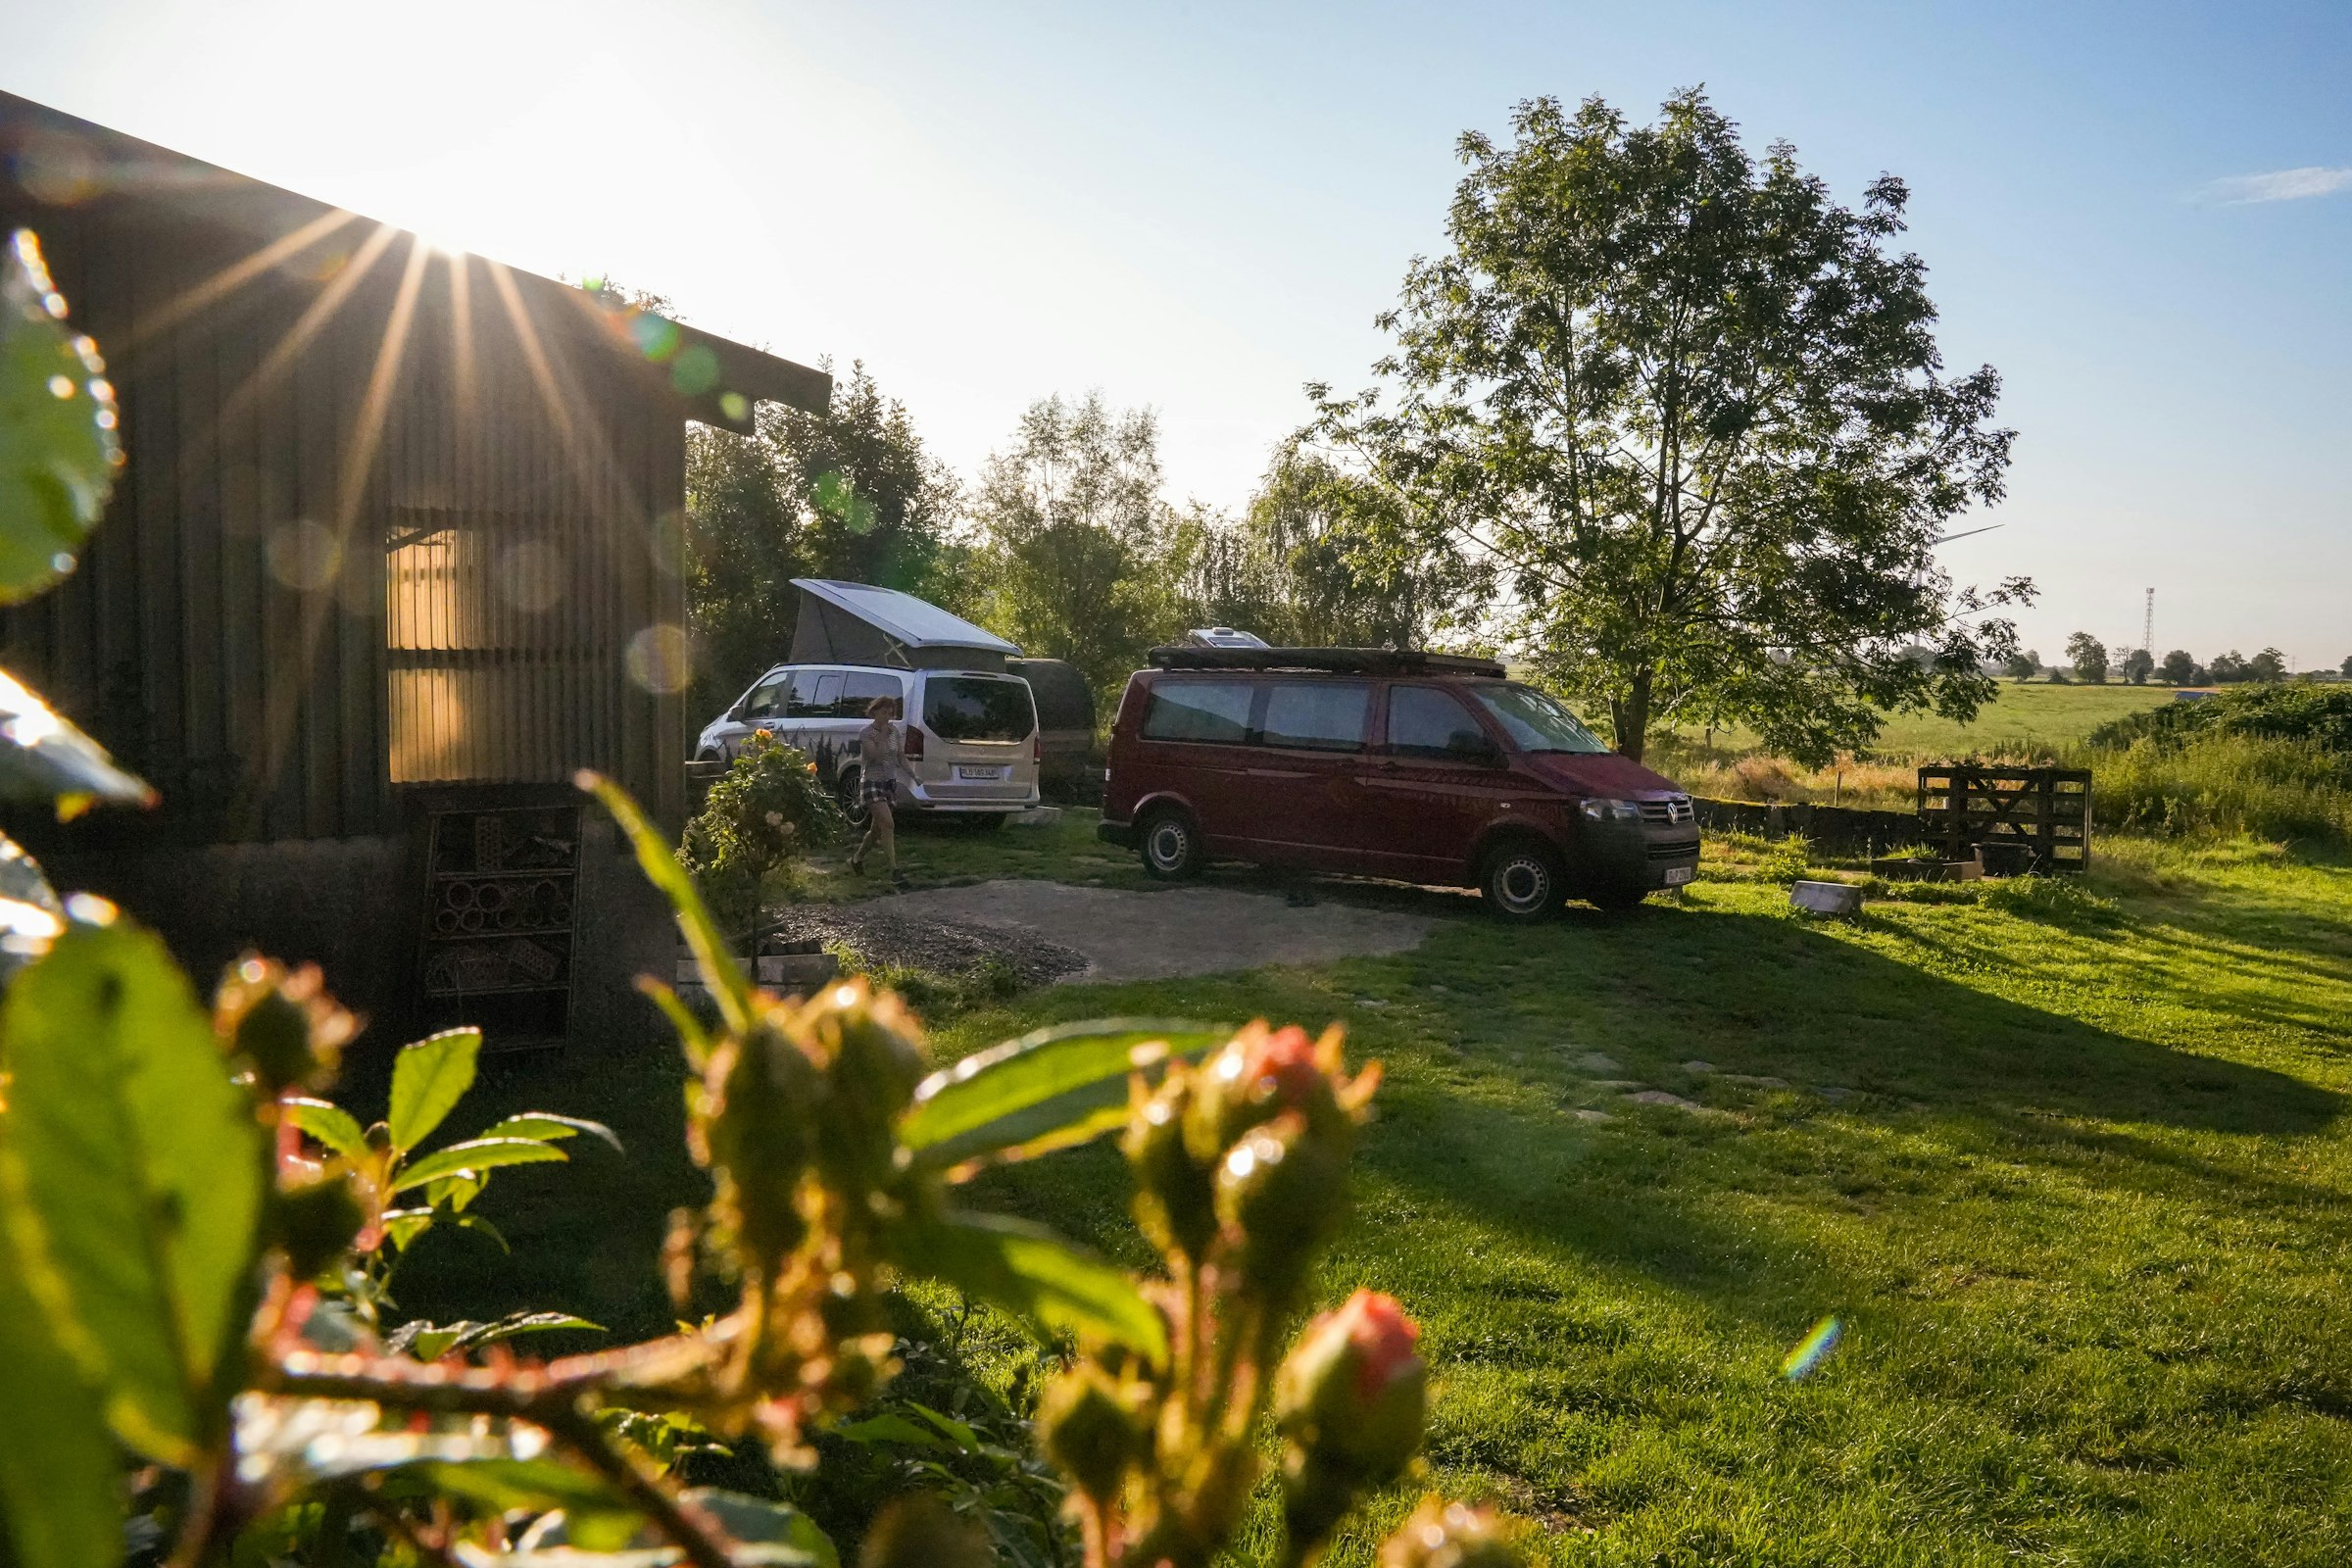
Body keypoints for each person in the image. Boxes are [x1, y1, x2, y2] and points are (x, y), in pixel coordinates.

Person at [848, 695, 908, 885]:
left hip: (887, 783)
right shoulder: (866, 733)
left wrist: (913, 775)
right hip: (871, 783)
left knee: (876, 830)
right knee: (888, 824)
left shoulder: (895, 732)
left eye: (890, 713)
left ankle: (856, 859)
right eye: (884, 712)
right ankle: (894, 870)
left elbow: (900, 755)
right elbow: (876, 756)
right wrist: (882, 735)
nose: (887, 717)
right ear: (874, 712)